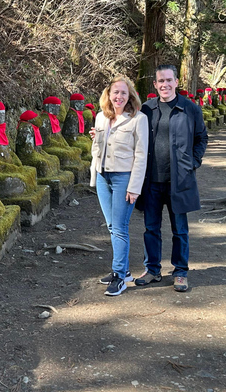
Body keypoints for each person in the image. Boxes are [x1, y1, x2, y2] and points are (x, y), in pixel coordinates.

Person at [136, 64, 208, 292]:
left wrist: (193, 163)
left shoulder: (189, 109)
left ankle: (180, 271)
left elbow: (201, 138)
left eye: (169, 80)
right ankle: (153, 269)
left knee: (180, 229)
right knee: (151, 228)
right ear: (155, 84)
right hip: (151, 181)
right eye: (160, 81)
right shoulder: (146, 110)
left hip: (179, 180)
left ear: (177, 82)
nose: (165, 84)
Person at [89, 76, 149, 296]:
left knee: (120, 227)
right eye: (116, 92)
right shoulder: (101, 118)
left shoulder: (138, 119)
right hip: (103, 177)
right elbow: (98, 151)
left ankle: (119, 276)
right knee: (112, 226)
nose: (119, 97)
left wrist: (135, 187)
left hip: (124, 178)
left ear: (130, 96)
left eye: (124, 93)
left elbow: (141, 155)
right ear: (108, 95)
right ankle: (122, 270)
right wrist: (96, 139)